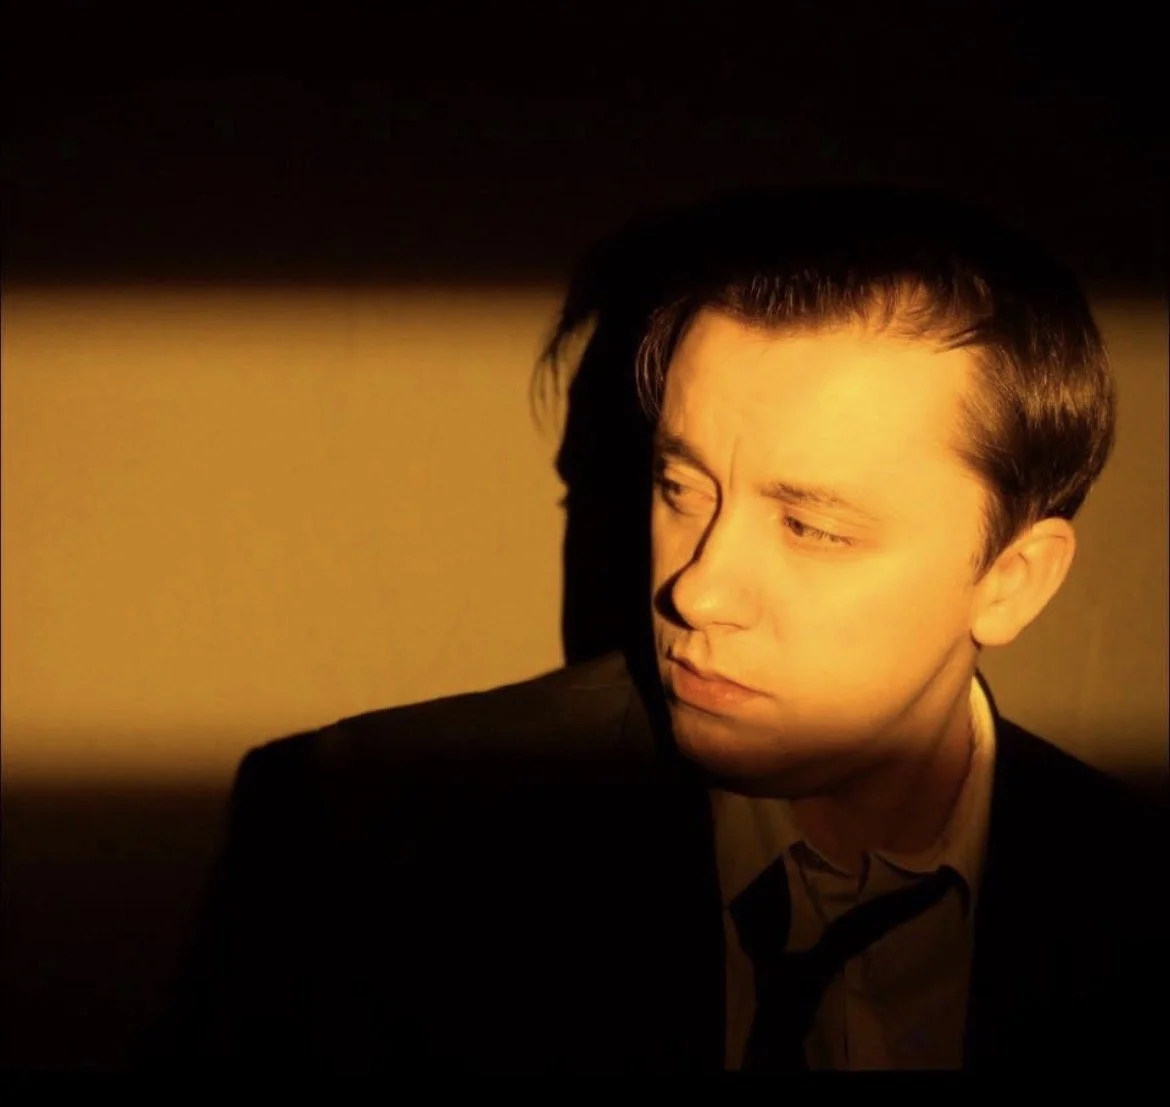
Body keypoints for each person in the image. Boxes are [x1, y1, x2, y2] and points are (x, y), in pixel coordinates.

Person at [149, 186, 1165, 1072]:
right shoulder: (365, 846)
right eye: (681, 487)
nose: (697, 590)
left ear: (1013, 581)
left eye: (811, 527)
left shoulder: (1132, 906)